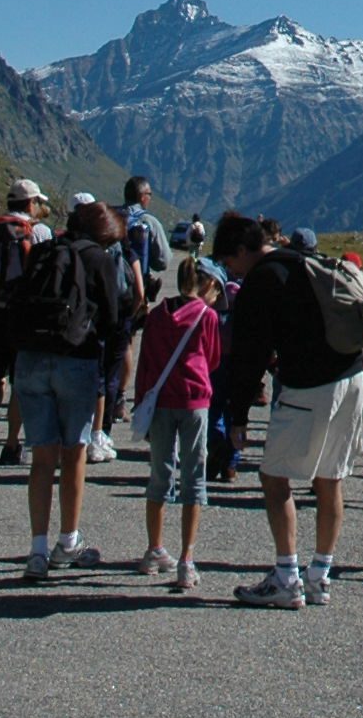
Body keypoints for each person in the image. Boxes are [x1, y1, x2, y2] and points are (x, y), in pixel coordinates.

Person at [216, 215, 363, 608]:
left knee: (274, 477)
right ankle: (320, 575)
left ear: (243, 251)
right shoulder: (307, 261)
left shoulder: (262, 279)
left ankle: (286, 575)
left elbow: (250, 355)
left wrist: (237, 414)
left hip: (308, 386)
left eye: (230, 261)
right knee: (331, 477)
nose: (231, 270)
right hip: (352, 377)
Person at [13, 198, 136, 581]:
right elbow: (116, 319)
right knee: (74, 453)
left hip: (31, 358)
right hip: (76, 359)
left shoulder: (44, 250)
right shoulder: (98, 258)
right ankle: (67, 541)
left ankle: (36, 549)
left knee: (42, 457)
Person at [132, 256, 224, 593]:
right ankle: (187, 558)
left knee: (160, 473)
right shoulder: (207, 316)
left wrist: (141, 397)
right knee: (193, 477)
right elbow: (213, 358)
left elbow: (145, 360)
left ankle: (154, 548)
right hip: (194, 401)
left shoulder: (158, 315)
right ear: (207, 284)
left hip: (160, 401)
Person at [0, 179, 47, 464]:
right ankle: (12, 442)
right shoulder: (38, 232)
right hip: (23, 313)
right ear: (30, 203)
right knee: (20, 379)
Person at [80, 190, 147, 464]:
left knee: (91, 374)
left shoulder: (87, 249)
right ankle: (102, 432)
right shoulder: (126, 249)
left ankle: (83, 429)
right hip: (119, 319)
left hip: (90, 321)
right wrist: (130, 316)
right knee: (110, 375)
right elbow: (140, 291)